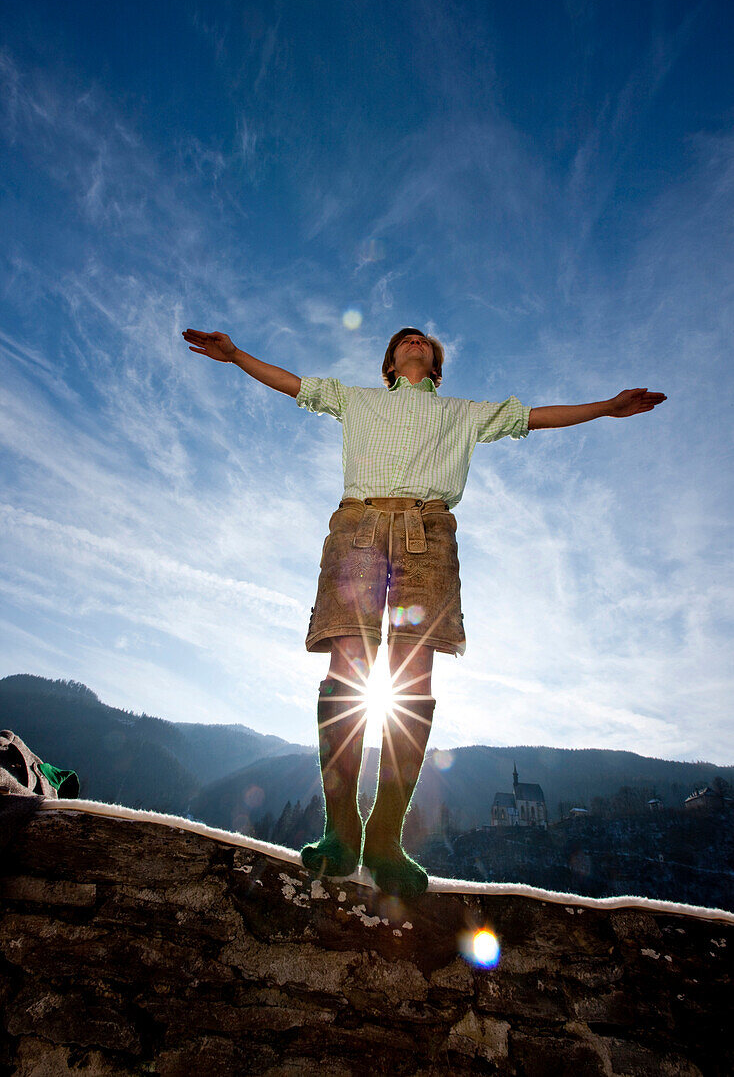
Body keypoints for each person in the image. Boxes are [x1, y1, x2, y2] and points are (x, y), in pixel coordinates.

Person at [183, 325, 666, 897]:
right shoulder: (355, 399)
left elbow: (535, 416)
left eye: (424, 342)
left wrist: (606, 408)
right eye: (404, 340)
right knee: (348, 669)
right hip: (358, 528)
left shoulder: (462, 413)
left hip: (428, 533)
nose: (415, 342)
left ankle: (386, 838)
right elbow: (291, 384)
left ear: (435, 365)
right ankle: (341, 832)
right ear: (388, 363)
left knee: (412, 677)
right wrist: (235, 355)